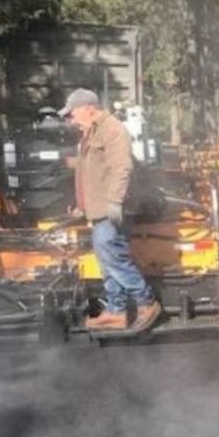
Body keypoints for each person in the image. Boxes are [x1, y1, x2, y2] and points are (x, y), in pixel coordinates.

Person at [59, 88, 161, 332]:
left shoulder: (112, 129)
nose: (71, 120)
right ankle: (116, 311)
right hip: (99, 208)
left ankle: (146, 301)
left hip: (113, 207)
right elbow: (91, 172)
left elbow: (121, 167)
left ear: (88, 108)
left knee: (112, 255)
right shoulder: (91, 132)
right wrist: (82, 206)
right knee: (106, 258)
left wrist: (115, 201)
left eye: (72, 114)